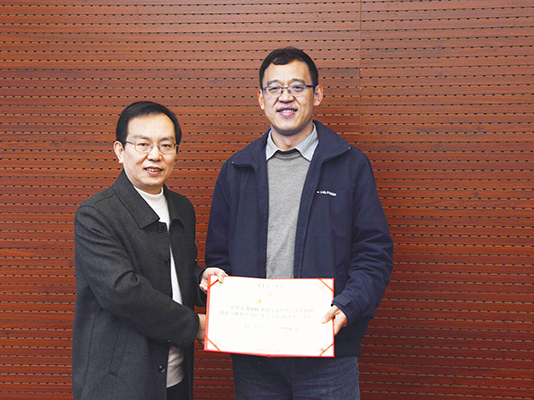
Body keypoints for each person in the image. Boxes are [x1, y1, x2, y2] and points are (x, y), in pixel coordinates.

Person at [201, 47, 394, 399]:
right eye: (274, 88)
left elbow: (374, 253)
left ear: (316, 95)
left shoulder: (350, 165)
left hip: (327, 352)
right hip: (254, 356)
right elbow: (218, 256)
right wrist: (215, 280)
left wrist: (349, 305)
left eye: (297, 87)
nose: (285, 97)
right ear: (261, 99)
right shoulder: (236, 170)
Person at [72, 101, 206, 400]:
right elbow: (122, 291)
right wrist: (195, 325)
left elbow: (178, 271)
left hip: (175, 376)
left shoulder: (182, 207)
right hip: (119, 382)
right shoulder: (96, 214)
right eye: (143, 144)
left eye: (166, 145)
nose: (155, 155)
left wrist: (203, 280)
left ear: (176, 152)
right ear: (120, 151)